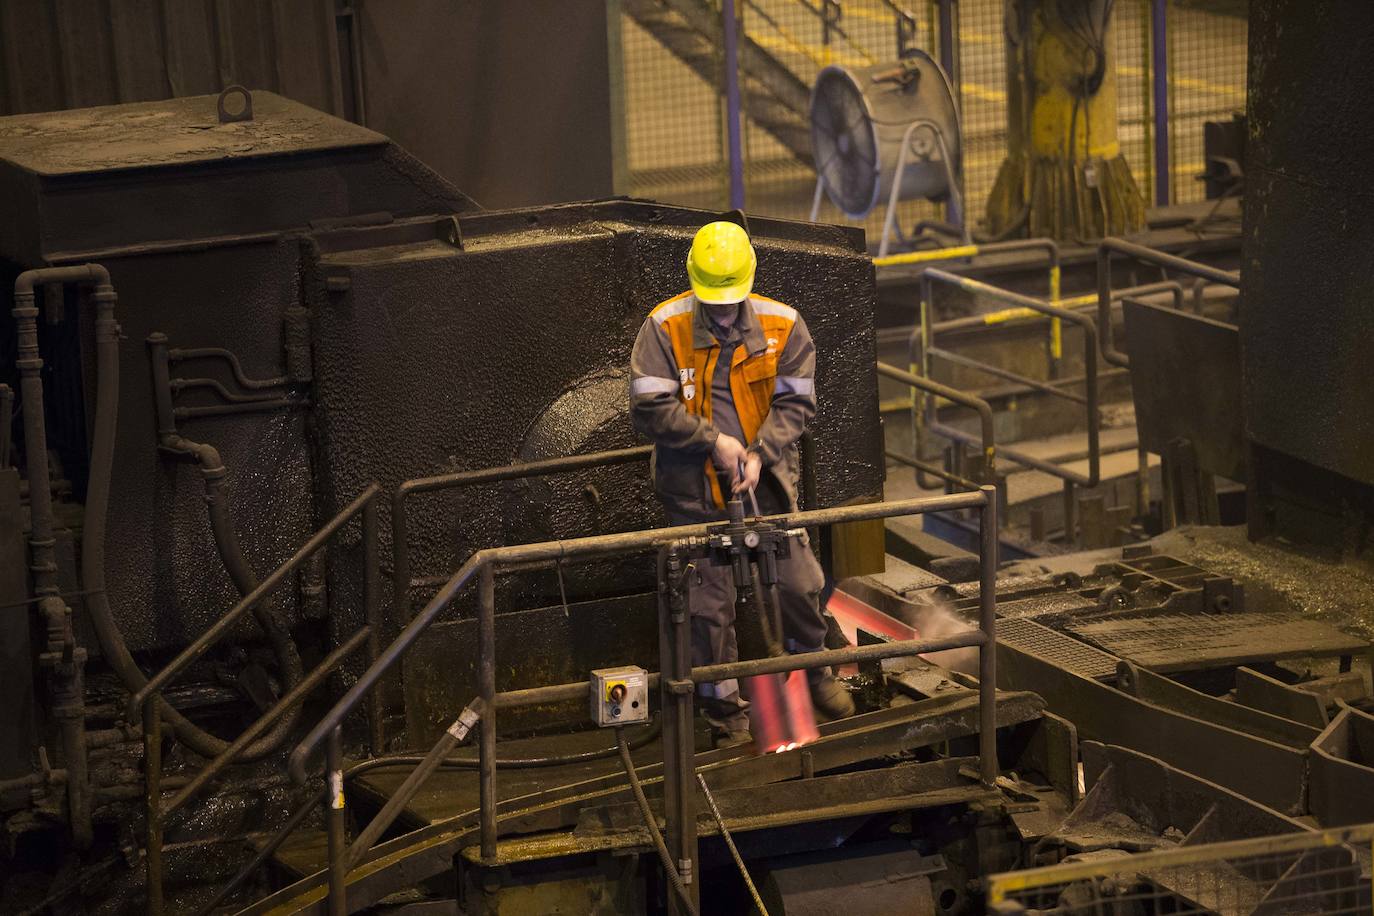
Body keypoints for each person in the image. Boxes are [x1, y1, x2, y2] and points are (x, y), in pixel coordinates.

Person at [629, 220, 855, 748]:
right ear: (694, 284)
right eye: (716, 301)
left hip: (766, 488)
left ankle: (816, 672)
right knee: (707, 612)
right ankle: (727, 718)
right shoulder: (665, 328)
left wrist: (759, 451)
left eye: (732, 301)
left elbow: (795, 403)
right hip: (695, 496)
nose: (725, 311)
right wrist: (713, 442)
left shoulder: (784, 325)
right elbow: (648, 408)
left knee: (801, 586)